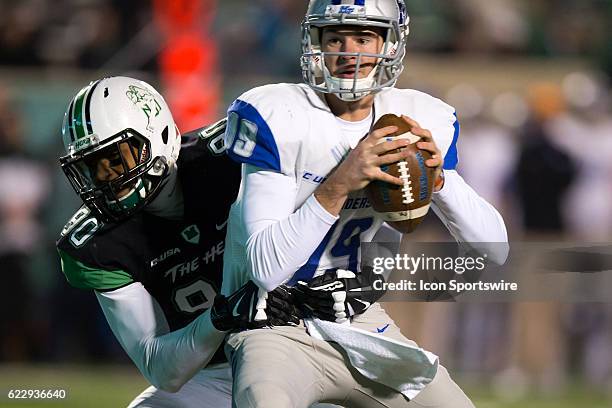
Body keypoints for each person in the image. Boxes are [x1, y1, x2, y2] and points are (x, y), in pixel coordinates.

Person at [221, 1, 509, 407]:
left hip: (361, 323)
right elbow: (267, 269)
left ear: (390, 45)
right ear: (314, 42)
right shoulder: (280, 115)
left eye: (363, 37)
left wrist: (438, 178)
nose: (348, 52)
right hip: (276, 325)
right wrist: (340, 183)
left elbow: (493, 250)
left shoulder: (416, 117)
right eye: (335, 38)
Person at [56, 76, 369, 407]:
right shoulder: (98, 245)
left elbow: (340, 182)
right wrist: (223, 315)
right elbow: (161, 368)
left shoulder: (230, 156)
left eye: (117, 159)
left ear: (158, 134)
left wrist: (368, 274)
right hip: (212, 372)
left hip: (301, 347)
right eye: (94, 167)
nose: (107, 179)